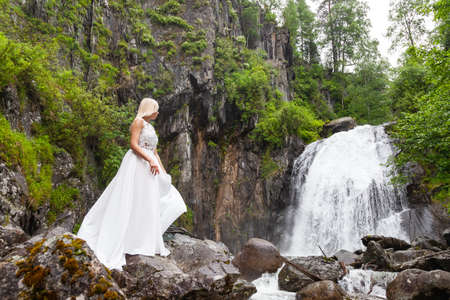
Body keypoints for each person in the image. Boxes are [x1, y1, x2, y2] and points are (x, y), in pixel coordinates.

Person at [77, 97, 187, 270]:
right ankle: (125, 238)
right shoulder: (138, 122)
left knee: (149, 201)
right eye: (155, 110)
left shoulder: (150, 126)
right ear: (148, 109)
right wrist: (149, 161)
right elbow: (133, 145)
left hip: (150, 167)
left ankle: (143, 238)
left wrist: (163, 170)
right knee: (132, 199)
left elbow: (155, 152)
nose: (157, 113)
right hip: (137, 165)